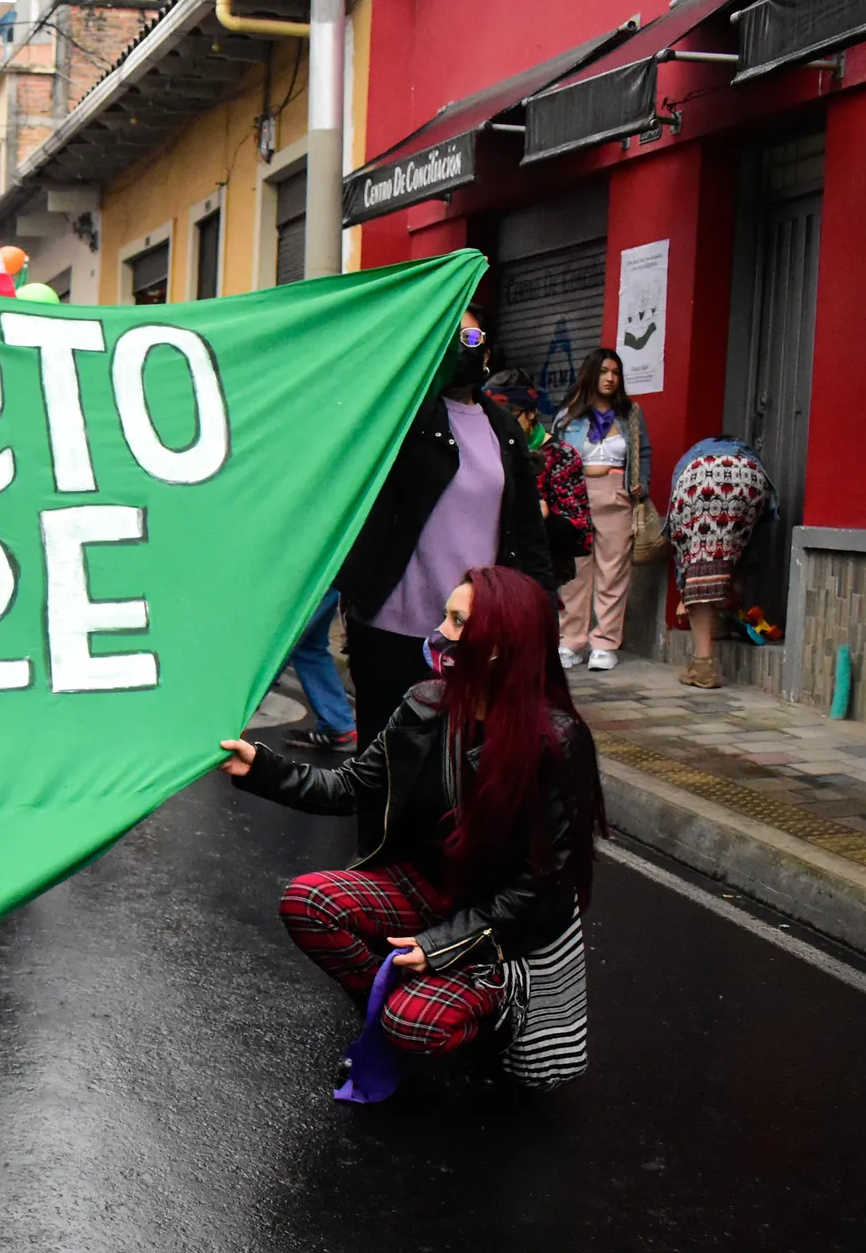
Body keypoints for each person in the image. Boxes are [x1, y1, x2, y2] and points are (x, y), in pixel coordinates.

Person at [218, 566, 603, 1077]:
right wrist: (261, 767)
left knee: (415, 1024)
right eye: (445, 616)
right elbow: (353, 786)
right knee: (309, 903)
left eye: (458, 621)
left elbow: (538, 890)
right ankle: (398, 1009)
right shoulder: (426, 704)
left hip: (500, 925)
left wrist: (441, 947)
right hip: (424, 889)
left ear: (499, 643)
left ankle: (495, 1003)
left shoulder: (556, 742)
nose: (439, 633)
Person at [335, 310, 553, 744]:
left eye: (470, 334)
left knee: (460, 766)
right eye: (450, 333)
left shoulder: (503, 429)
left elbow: (528, 534)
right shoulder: (401, 417)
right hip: (392, 630)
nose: (462, 345)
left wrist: (542, 619)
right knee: (386, 769)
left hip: (474, 638)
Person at [552, 349, 653, 672]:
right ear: (590, 374)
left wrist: (641, 484)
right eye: (604, 371)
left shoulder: (630, 415)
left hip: (616, 497)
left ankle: (605, 643)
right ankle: (570, 641)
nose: (610, 378)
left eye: (616, 372)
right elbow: (553, 457)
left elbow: (644, 453)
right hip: (575, 497)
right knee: (574, 574)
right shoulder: (568, 416)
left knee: (614, 572)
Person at [667, 436, 773, 689]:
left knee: (699, 567)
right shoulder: (747, 457)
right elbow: (748, 545)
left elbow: (680, 542)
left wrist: (685, 587)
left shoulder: (691, 461)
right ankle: (722, 621)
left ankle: (703, 665)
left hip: (698, 482)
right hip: (751, 480)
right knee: (732, 549)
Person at [485, 378, 594, 595]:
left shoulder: (560, 455)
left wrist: (545, 515)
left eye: (508, 416)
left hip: (538, 575)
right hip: (490, 571)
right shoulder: (485, 451)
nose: (499, 426)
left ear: (531, 413)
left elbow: (578, 531)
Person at [282, 594, 357, 753]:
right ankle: (338, 724)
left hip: (304, 576)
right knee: (308, 646)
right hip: (325, 577)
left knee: (279, 643)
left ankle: (228, 720)